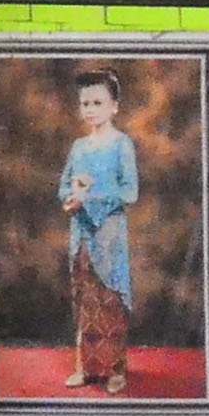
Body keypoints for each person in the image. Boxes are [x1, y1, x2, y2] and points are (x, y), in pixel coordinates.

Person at [58, 68, 140, 394]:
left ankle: (115, 371)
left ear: (114, 106)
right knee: (84, 299)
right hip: (80, 235)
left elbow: (130, 192)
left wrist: (91, 199)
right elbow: (64, 185)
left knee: (109, 300)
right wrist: (71, 199)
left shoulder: (122, 145)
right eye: (85, 103)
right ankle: (86, 368)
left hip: (109, 235)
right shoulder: (79, 147)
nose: (90, 109)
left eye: (97, 102)